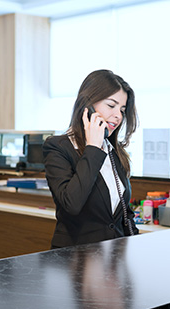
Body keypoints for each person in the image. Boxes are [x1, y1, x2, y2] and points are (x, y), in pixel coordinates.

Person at [43, 69, 139, 248]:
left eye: (122, 110)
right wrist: (93, 148)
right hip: (75, 262)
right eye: (111, 106)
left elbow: (123, 213)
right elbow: (71, 204)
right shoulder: (58, 147)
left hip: (114, 260)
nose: (118, 116)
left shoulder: (114, 151)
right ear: (88, 104)